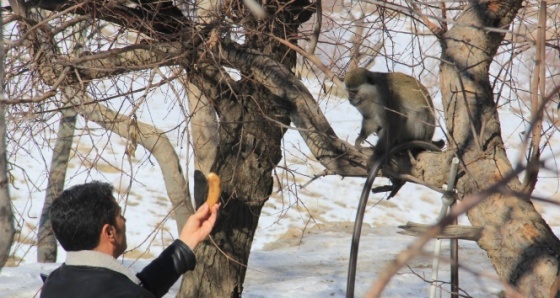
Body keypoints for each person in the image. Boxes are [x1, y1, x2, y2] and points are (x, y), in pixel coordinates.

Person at [40, 181, 220, 298]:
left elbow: (137, 289)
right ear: (109, 232)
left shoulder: (53, 285)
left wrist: (185, 244)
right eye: (120, 215)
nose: (124, 220)